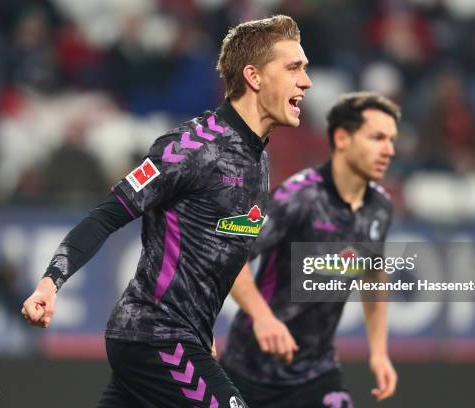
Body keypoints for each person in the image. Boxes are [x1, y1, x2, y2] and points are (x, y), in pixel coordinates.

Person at [21, 15, 311, 408]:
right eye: (293, 68)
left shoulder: (256, 157)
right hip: (153, 336)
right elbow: (108, 213)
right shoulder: (189, 149)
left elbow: (222, 244)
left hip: (178, 339)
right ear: (254, 77)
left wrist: (208, 328)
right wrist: (50, 283)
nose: (305, 81)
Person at [220, 92, 400, 408]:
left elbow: (373, 276)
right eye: (377, 138)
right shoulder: (298, 198)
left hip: (317, 373)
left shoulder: (381, 208)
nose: (388, 150)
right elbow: (230, 258)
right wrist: (263, 318)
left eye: (391, 140)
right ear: (342, 138)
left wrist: (379, 352)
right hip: (250, 369)